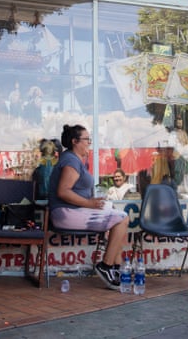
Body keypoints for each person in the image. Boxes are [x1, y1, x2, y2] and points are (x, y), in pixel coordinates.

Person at [48, 124, 130, 290]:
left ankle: (117, 268)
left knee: (112, 210)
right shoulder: (70, 160)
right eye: (86, 140)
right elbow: (63, 192)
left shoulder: (75, 159)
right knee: (122, 219)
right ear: (75, 141)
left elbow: (76, 191)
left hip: (74, 210)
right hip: (65, 213)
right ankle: (106, 266)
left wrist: (93, 201)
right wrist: (89, 203)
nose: (89, 143)